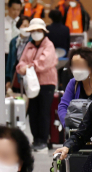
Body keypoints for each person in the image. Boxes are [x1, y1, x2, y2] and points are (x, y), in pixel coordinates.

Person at [17, 18, 58, 151]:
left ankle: (43, 140)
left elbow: (43, 63)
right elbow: (21, 64)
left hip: (46, 84)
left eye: (38, 30)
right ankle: (36, 139)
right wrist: (25, 67)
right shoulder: (29, 46)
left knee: (44, 112)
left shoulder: (49, 45)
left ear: (43, 31)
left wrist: (28, 66)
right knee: (33, 112)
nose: (36, 33)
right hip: (32, 85)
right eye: (33, 31)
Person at [58, 47, 92, 129]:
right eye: (74, 66)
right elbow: (63, 106)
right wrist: (67, 124)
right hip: (77, 130)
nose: (76, 70)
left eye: (80, 66)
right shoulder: (73, 83)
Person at [6, 16, 31, 96]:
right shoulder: (14, 41)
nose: (27, 28)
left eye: (29, 26)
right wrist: (8, 79)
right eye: (24, 25)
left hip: (28, 75)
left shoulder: (33, 41)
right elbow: (10, 61)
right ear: (19, 26)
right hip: (16, 75)